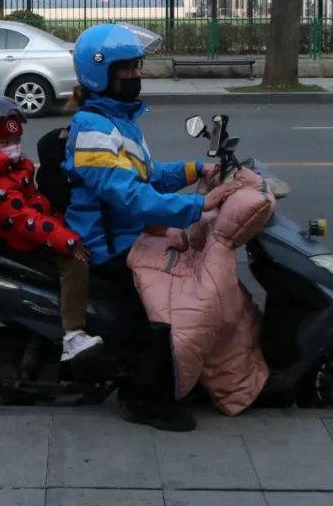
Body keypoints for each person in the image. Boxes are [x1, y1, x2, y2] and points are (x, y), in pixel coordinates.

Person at [62, 22, 238, 431]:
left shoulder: (119, 121)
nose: (134, 76)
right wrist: (197, 206)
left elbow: (148, 176)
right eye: (124, 69)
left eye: (136, 67)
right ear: (99, 72)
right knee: (164, 310)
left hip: (129, 233)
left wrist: (197, 169)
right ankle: (140, 398)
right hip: (106, 245)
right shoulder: (92, 128)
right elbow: (127, 195)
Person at [0, 96, 103, 363]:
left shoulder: (11, 168)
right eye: (4, 143)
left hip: (30, 232)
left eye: (15, 141)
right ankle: (72, 335)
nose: (12, 148)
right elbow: (24, 218)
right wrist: (67, 241)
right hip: (22, 240)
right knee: (74, 265)